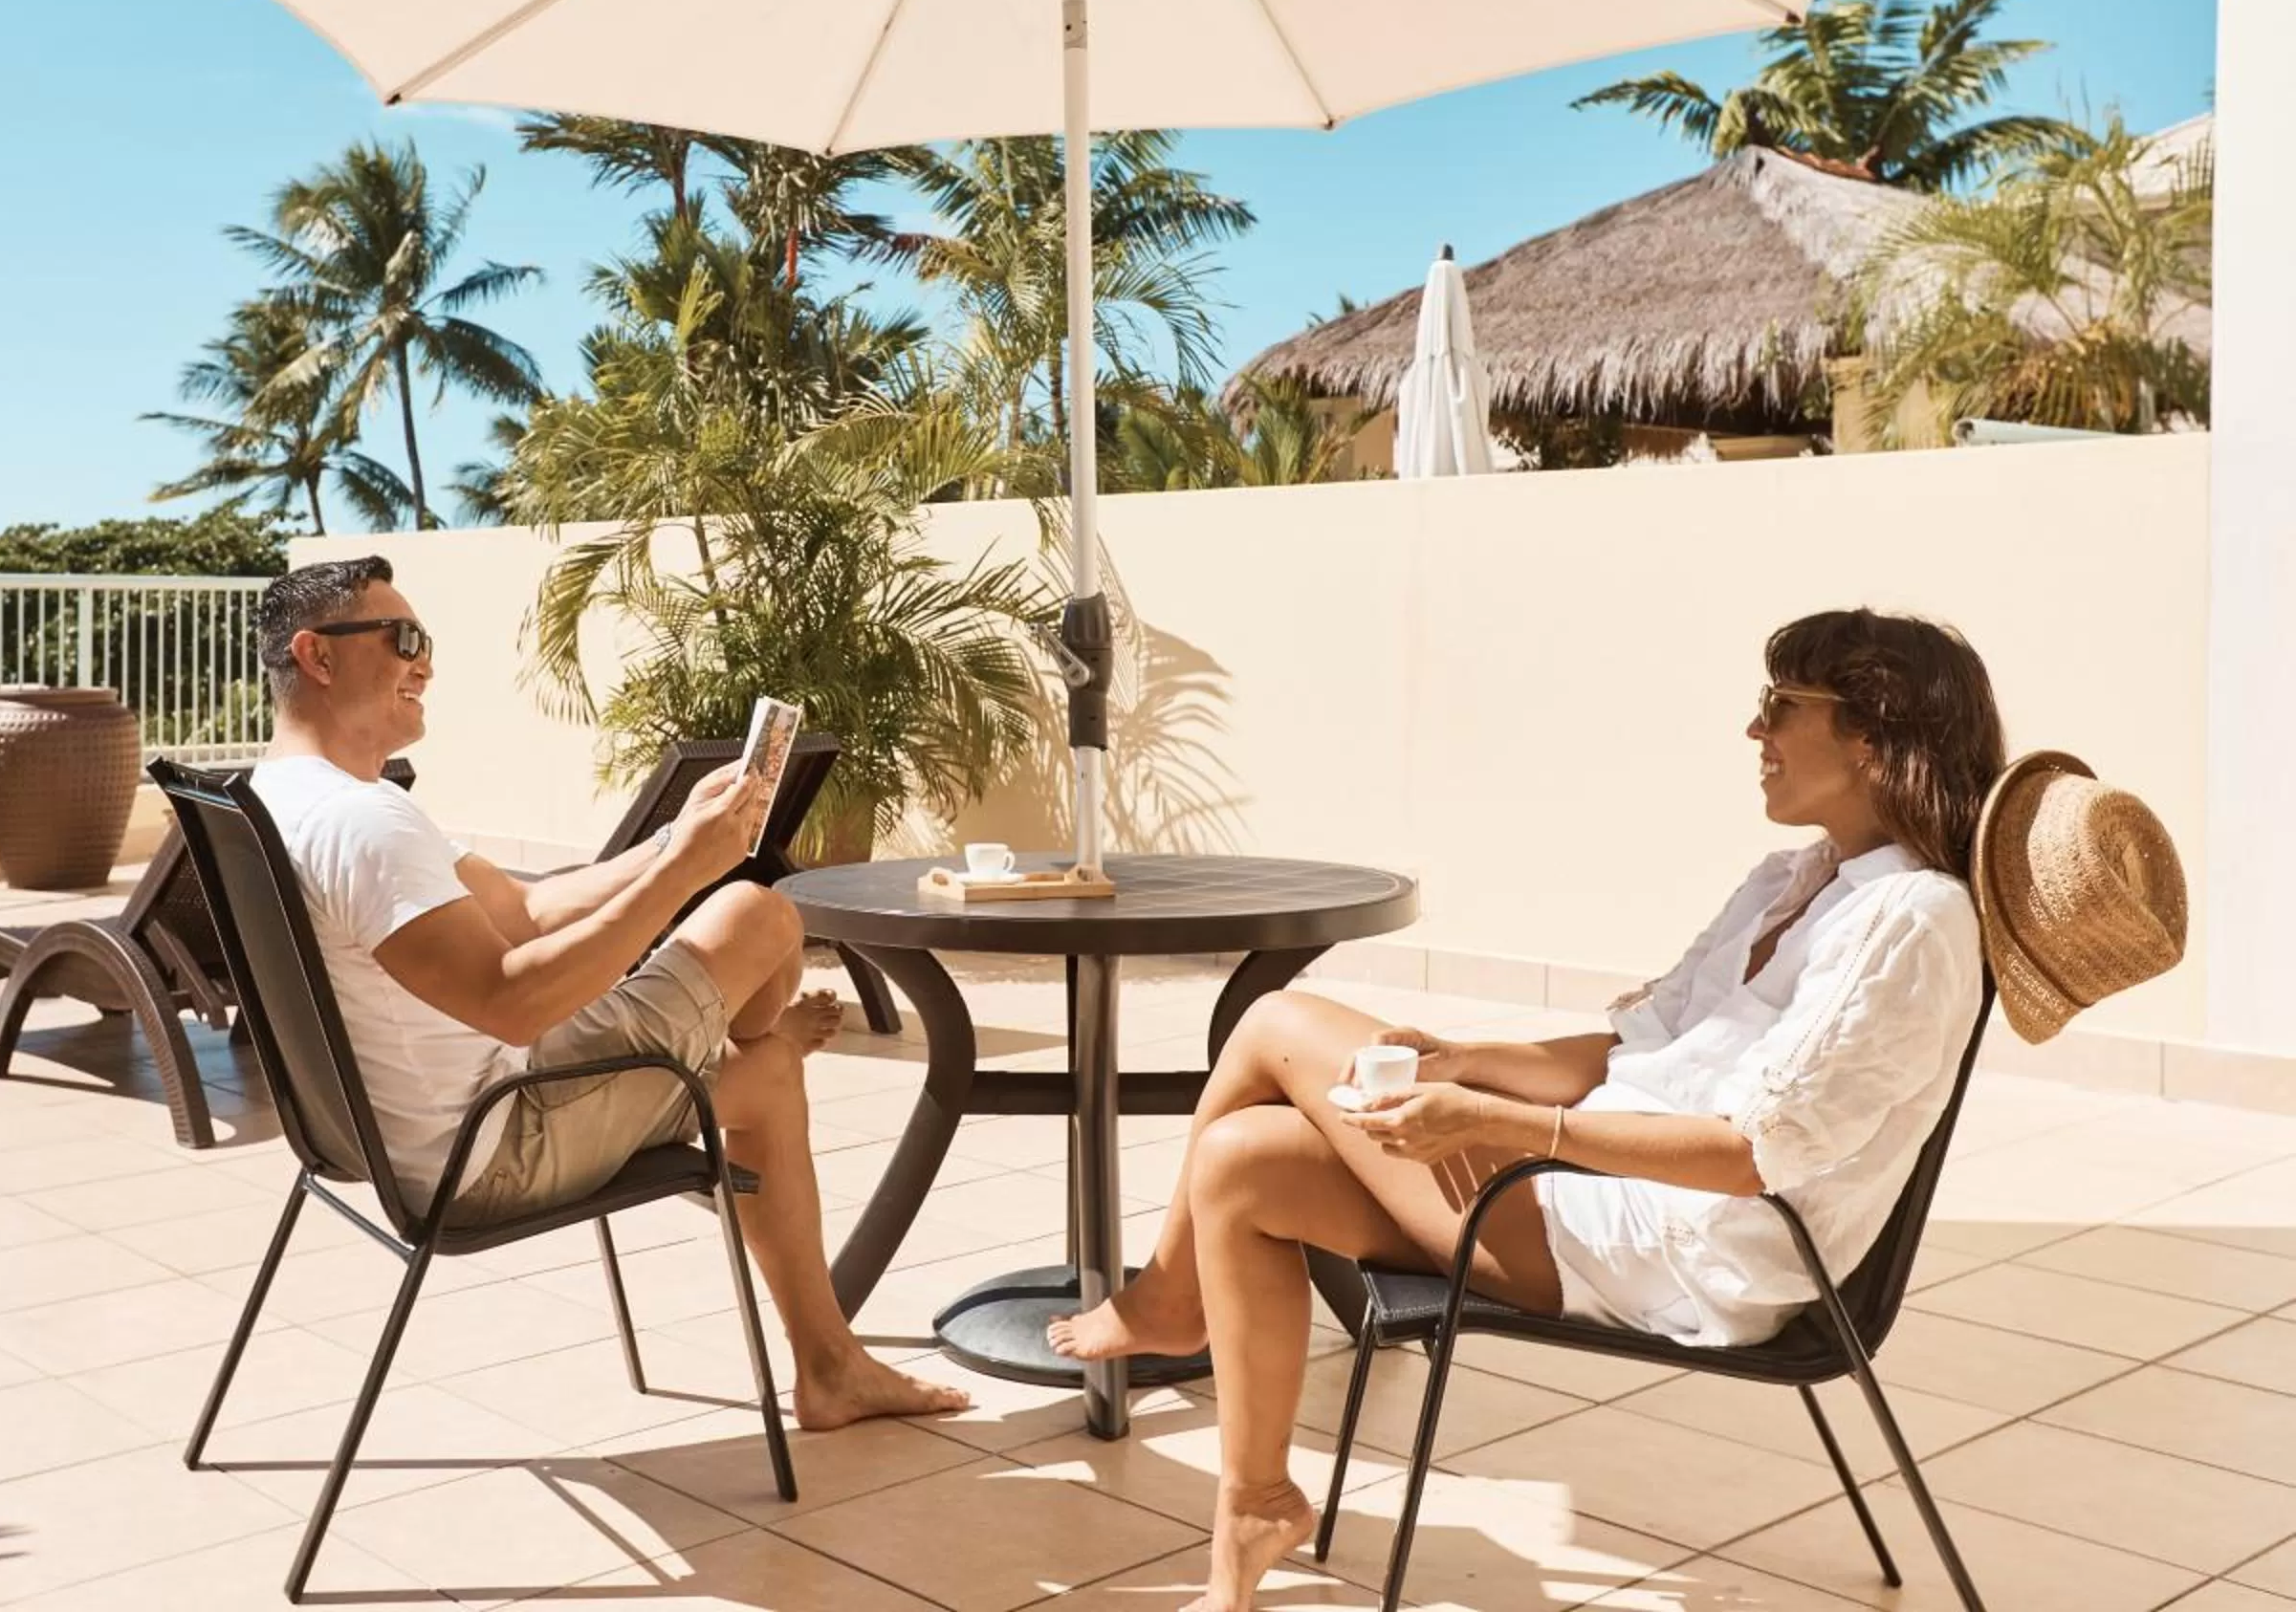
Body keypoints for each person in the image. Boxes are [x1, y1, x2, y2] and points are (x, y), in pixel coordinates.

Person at [1047, 609, 2005, 1612]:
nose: (1754, 731)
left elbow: (1747, 1157)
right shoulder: (1797, 878)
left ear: (1870, 734)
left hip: (1679, 1242)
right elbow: (1638, 1044)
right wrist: (1469, 1062)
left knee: (1276, 1021)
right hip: (1602, 1182)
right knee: (1240, 1161)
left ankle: (1166, 1299)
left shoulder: (1915, 918)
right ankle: (1257, 1502)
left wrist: (1500, 1124)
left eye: (1781, 705)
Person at [247, 555, 968, 1431]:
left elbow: (527, 909)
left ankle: (828, 1363)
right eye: (404, 640)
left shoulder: (284, 797)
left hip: (410, 1133)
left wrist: (673, 841)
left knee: (768, 1070)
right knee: (756, 913)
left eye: (423, 640)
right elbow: (513, 1001)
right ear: (317, 658)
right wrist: (694, 874)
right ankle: (754, 1038)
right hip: (495, 1140)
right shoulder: (364, 823)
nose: (425, 664)